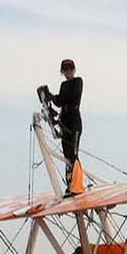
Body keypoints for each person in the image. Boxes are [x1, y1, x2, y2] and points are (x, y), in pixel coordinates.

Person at [44, 59, 84, 195]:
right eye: (65, 69)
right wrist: (51, 97)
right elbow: (60, 102)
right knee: (67, 156)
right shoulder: (63, 84)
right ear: (62, 71)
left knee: (73, 154)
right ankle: (70, 185)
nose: (68, 71)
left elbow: (71, 97)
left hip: (75, 124)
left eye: (70, 69)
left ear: (74, 70)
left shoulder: (78, 82)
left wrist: (55, 97)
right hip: (65, 123)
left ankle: (77, 186)